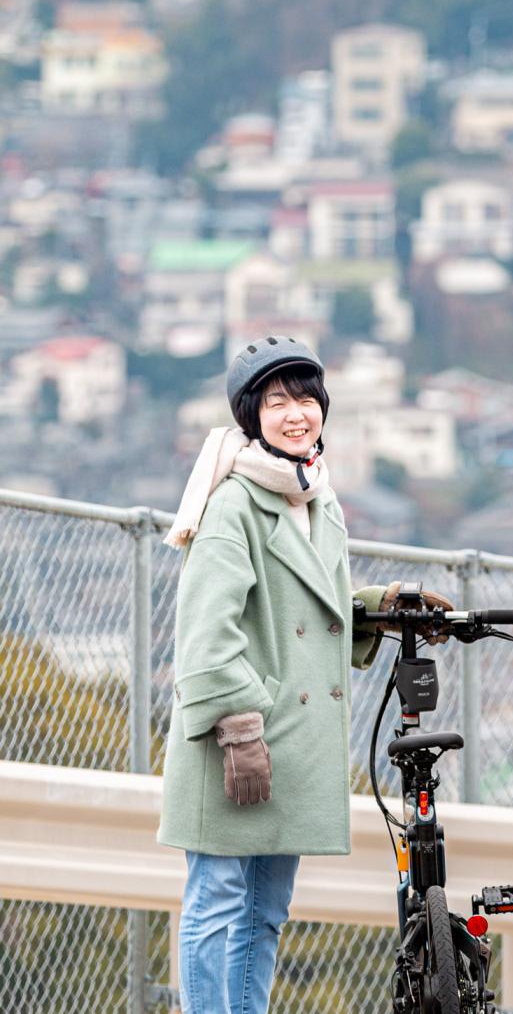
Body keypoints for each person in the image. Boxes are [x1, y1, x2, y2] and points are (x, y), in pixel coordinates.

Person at [156, 336, 444, 1014]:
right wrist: (239, 733)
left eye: (307, 399)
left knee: (264, 912)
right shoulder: (232, 504)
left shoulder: (317, 498)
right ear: (250, 414)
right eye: (278, 401)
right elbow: (206, 633)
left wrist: (381, 606)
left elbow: (310, 604)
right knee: (216, 905)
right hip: (239, 738)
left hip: (287, 739)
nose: (296, 414)